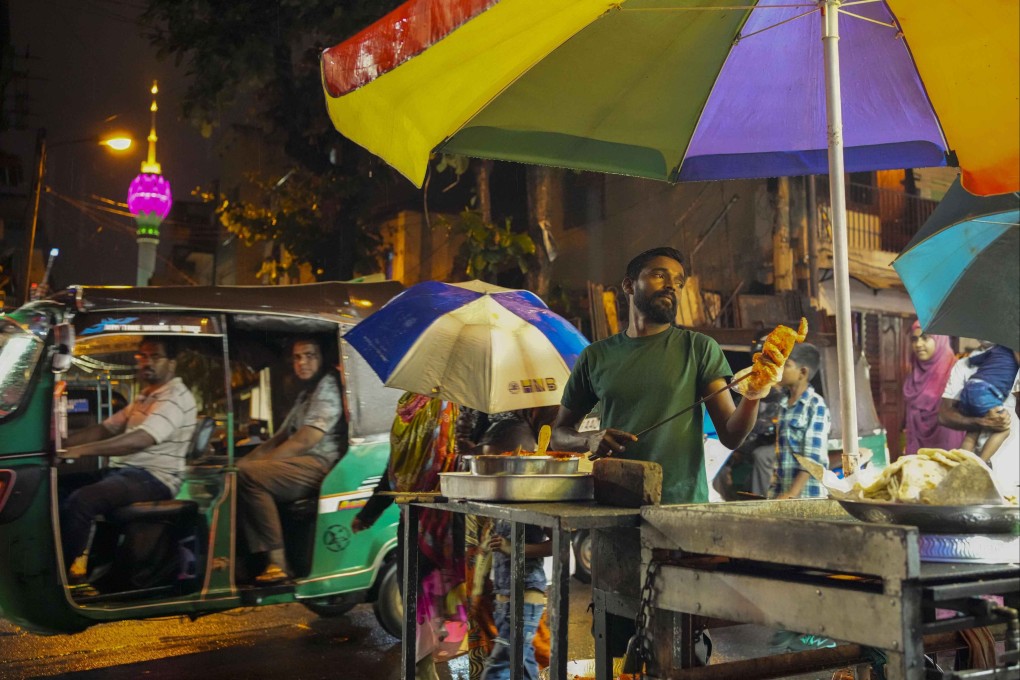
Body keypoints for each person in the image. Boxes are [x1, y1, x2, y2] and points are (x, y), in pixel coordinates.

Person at [551, 246, 761, 504]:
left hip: (682, 507)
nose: (672, 285)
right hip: (614, 507)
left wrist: (755, 393)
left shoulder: (698, 348)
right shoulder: (596, 356)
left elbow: (731, 436)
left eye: (679, 281)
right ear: (629, 286)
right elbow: (558, 435)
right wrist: (588, 439)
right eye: (660, 276)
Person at [60, 336, 197, 584]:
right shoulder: (146, 395)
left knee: (83, 500)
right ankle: (86, 566)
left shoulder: (174, 397)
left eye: (155, 356)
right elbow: (106, 428)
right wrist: (62, 444)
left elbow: (142, 439)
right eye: (143, 356)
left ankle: (58, 577)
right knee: (58, 487)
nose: (147, 362)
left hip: (155, 478)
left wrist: (82, 451)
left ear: (172, 364)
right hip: (127, 472)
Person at [352, 392, 464, 680]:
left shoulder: (448, 408)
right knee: (420, 604)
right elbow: (392, 471)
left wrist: (368, 514)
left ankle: (432, 665)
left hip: (445, 523)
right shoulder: (410, 412)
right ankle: (424, 667)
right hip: (422, 522)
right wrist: (368, 514)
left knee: (439, 604)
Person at [237, 337, 345, 584]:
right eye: (297, 357)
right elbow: (280, 437)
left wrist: (255, 467)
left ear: (322, 358)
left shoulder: (328, 385)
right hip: (302, 463)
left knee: (250, 477)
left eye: (309, 355)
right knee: (241, 473)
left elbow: (306, 439)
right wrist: (241, 464)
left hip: (320, 463)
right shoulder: (307, 392)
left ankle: (278, 563)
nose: (302, 362)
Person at [939, 344, 1020, 493]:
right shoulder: (962, 365)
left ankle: (967, 465)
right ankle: (976, 465)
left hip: (1012, 464)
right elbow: (944, 415)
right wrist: (980, 422)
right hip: (978, 468)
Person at [770, 342, 830, 500]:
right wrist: (774, 494)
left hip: (808, 497)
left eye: (786, 365)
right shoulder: (784, 405)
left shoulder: (815, 405)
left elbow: (812, 458)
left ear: (802, 373)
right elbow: (780, 459)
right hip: (784, 495)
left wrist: (791, 494)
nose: (779, 370)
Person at [902, 322, 966, 455]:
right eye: (914, 339)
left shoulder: (956, 371)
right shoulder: (914, 375)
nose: (918, 344)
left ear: (940, 340)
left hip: (948, 449)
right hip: (918, 452)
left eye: (925, 338)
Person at [956, 345, 1020, 460]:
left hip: (969, 389)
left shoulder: (996, 349)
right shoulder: (1016, 354)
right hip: (986, 393)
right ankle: (981, 463)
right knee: (1003, 428)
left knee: (973, 431)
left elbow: (973, 360)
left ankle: (960, 463)